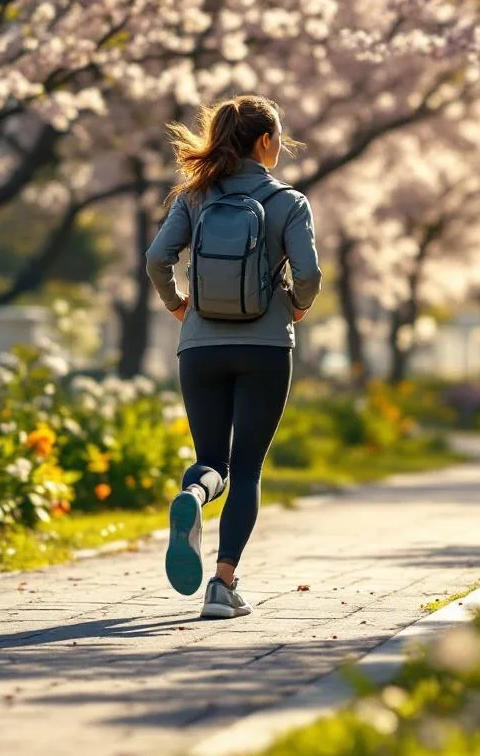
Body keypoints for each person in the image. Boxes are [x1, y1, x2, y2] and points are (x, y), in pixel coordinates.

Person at [145, 94, 321, 619]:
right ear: (265, 141)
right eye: (279, 138)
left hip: (201, 346)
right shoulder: (288, 201)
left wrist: (178, 306)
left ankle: (195, 497)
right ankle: (222, 586)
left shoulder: (195, 196)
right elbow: (309, 275)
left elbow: (157, 259)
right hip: (265, 347)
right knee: (246, 470)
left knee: (213, 464)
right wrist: (296, 306)